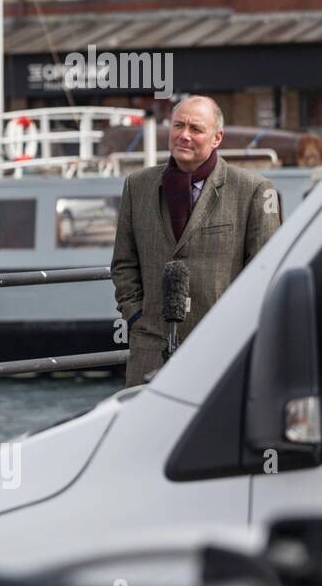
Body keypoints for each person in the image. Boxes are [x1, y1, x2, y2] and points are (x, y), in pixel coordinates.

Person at [111, 95, 281, 386]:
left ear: (217, 138)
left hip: (220, 348)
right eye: (178, 125)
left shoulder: (252, 189)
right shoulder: (137, 186)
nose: (184, 135)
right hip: (150, 349)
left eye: (196, 129)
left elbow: (266, 272)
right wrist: (137, 316)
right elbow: (124, 263)